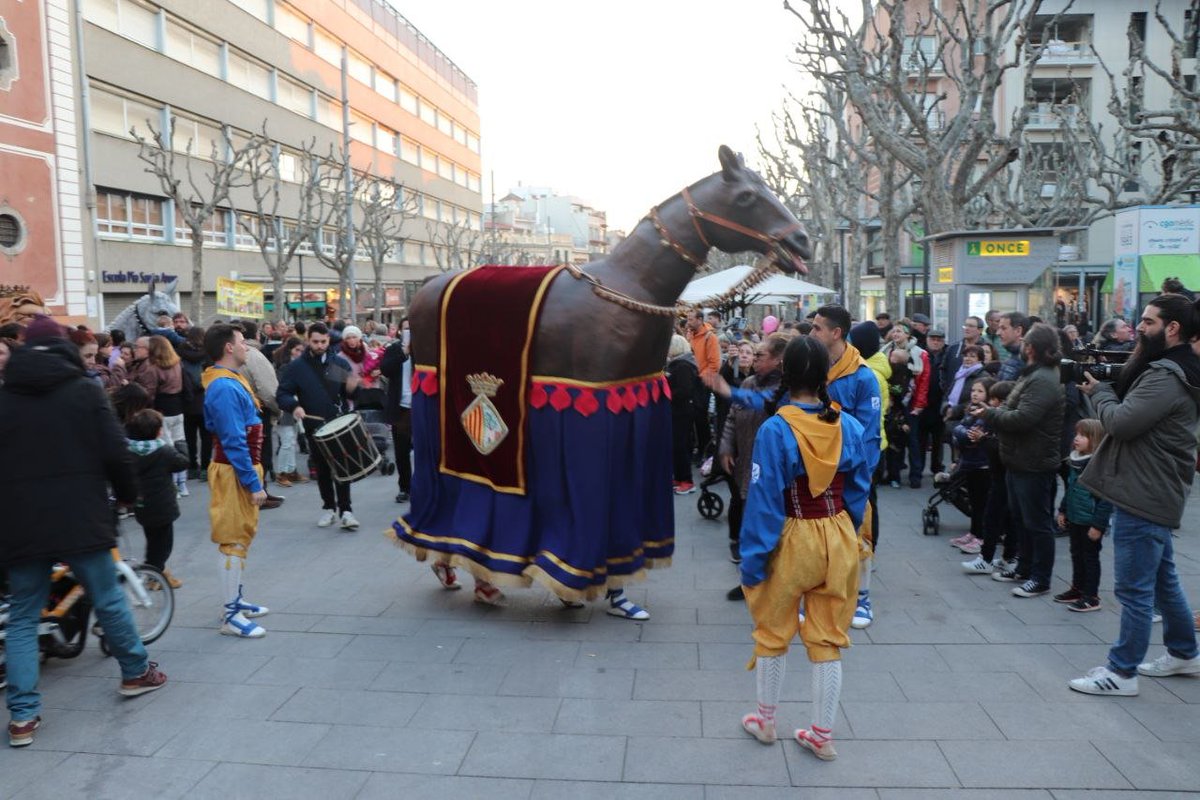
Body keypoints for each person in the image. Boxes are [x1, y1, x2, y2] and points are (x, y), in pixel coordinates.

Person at [1, 317, 167, 746]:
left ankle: (22, 717)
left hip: (20, 522)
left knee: (23, 616)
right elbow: (116, 452)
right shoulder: (84, 390)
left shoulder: (5, 396)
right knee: (107, 596)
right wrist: (128, 495)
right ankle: (135, 672)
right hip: (80, 516)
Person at [736, 336, 871, 761]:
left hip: (792, 537)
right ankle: (821, 734)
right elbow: (859, 490)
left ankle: (766, 721)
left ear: (786, 373)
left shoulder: (776, 429)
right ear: (826, 375)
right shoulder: (849, 425)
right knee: (828, 639)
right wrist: (848, 533)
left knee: (773, 631)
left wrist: (753, 561)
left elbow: (764, 503)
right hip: (837, 534)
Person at [1069, 294, 1200, 696]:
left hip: (1142, 493)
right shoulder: (1180, 369)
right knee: (1163, 581)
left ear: (1172, 328)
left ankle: (1122, 673)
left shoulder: (1167, 375)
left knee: (1134, 589)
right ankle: (1185, 653)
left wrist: (1099, 391)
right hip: (1154, 488)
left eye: (1147, 321)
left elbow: (1121, 424)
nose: (1139, 328)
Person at [969, 323, 1065, 598]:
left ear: (1030, 348)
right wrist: (994, 412)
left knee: (1037, 523)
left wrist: (989, 414)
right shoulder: (1033, 374)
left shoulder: (1043, 379)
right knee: (1022, 519)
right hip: (1019, 459)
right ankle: (1024, 568)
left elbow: (1023, 418)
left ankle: (1040, 578)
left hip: (1033, 462)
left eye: (1025, 343)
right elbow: (1012, 408)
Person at [202, 324, 270, 638]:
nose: (247, 347)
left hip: (239, 468)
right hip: (233, 470)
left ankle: (235, 600)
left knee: (240, 537)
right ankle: (231, 615)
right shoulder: (224, 387)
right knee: (233, 540)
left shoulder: (230, 380)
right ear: (228, 347)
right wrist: (252, 483)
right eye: (242, 342)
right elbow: (233, 439)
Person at [275, 322, 361, 530]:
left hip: (338, 422)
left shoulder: (338, 363)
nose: (320, 345)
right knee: (322, 469)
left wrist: (353, 388)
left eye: (323, 341)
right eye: (315, 342)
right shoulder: (297, 367)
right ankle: (329, 508)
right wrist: (294, 406)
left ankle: (346, 511)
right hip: (314, 424)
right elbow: (283, 394)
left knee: (342, 467)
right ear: (308, 341)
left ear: (329, 340)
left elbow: (349, 393)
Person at [718, 334, 786, 588]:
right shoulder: (748, 382)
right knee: (745, 510)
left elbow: (763, 401)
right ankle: (752, 575)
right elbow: (732, 416)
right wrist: (726, 447)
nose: (754, 359)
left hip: (770, 466)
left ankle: (766, 577)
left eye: (760, 355)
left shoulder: (785, 388)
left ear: (778, 360)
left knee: (767, 521)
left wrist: (729, 390)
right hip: (745, 461)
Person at [126, 408, 190, 587]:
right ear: (158, 431)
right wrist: (180, 443)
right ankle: (155, 575)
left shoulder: (129, 451)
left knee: (152, 540)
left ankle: (156, 571)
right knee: (163, 545)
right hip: (163, 506)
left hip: (142, 504)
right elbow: (183, 462)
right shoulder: (164, 451)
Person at [1055, 418, 1112, 613]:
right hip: (1075, 517)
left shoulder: (1099, 466)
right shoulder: (1075, 461)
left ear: (1095, 439)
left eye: (1083, 436)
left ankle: (1091, 596)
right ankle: (1077, 588)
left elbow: (1105, 499)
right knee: (1076, 554)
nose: (1076, 438)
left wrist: (1098, 525)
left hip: (1090, 521)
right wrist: (1063, 510)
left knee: (1090, 557)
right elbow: (1071, 489)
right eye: (1077, 434)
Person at [962, 381, 1019, 575]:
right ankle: (1006, 557)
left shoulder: (1005, 420)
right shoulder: (999, 419)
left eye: (994, 399)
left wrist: (982, 439)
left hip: (1003, 475)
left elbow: (1001, 447)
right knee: (1002, 517)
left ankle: (988, 558)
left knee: (995, 517)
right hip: (1000, 475)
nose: (991, 402)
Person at [129, 335, 188, 497]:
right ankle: (183, 484)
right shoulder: (177, 364)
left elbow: (150, 393)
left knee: (166, 447)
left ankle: (174, 486)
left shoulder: (153, 368)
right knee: (179, 443)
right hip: (178, 408)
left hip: (162, 409)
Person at [945, 376, 995, 554]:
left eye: (980, 391)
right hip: (970, 462)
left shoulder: (985, 414)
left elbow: (967, 436)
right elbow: (960, 432)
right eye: (973, 390)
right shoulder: (971, 410)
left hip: (982, 464)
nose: (975, 394)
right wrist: (961, 431)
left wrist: (960, 431)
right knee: (974, 501)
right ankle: (974, 533)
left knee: (982, 502)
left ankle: (981, 537)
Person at [379, 322, 413, 504]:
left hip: (421, 405)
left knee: (426, 450)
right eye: (406, 328)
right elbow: (385, 369)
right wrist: (404, 353)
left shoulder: (426, 348)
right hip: (401, 407)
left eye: (412, 327)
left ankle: (426, 486)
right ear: (400, 330)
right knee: (401, 451)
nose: (409, 331)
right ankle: (405, 487)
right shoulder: (393, 349)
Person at [666, 334, 700, 494]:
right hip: (680, 411)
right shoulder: (681, 364)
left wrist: (667, 394)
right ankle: (680, 477)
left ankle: (686, 480)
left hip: (681, 411)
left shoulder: (682, 366)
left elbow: (684, 390)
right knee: (678, 445)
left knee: (681, 445)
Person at [685, 309, 721, 462]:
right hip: (692, 381)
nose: (688, 322)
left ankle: (704, 451)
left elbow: (715, 364)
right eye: (688, 319)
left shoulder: (710, 337)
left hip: (702, 382)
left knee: (701, 418)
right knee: (693, 417)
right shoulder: (691, 335)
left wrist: (700, 377)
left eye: (691, 319)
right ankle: (698, 448)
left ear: (700, 320)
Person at [271, 336, 307, 487]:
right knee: (287, 441)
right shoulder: (285, 366)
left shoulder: (292, 365)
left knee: (291, 441)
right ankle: (282, 473)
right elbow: (282, 390)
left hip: (292, 406)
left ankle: (291, 471)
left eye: (301, 351)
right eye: (297, 350)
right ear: (290, 350)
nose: (299, 353)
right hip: (284, 407)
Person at [995, 312, 1027, 382]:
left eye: (1003, 328)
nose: (998, 333)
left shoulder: (1026, 360)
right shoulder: (1014, 356)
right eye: (999, 328)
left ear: (1018, 331)